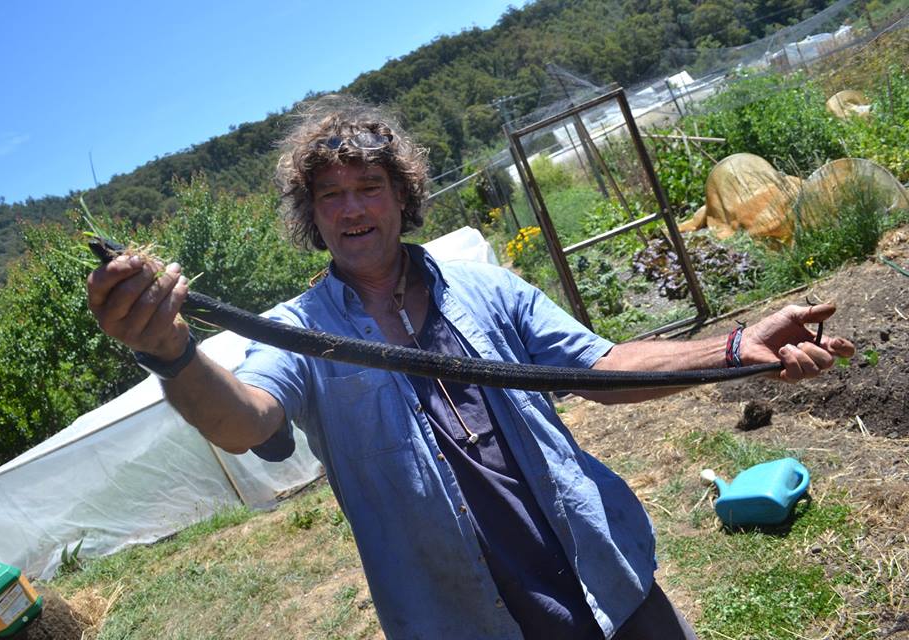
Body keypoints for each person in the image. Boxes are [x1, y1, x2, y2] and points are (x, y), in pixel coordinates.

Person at [87, 97, 855, 640]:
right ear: (312, 217)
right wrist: (170, 352)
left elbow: (607, 365)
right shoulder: (298, 331)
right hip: (459, 613)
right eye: (332, 197)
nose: (352, 210)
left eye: (369, 188)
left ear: (402, 196)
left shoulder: (485, 287)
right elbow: (244, 420)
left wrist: (734, 348)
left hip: (600, 567)